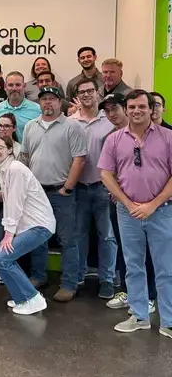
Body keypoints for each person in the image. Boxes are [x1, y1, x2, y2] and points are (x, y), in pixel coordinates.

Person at [98, 89, 172, 338]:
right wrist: (129, 204)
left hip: (161, 211)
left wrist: (152, 204)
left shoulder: (168, 138)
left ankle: (168, 321)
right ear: (126, 110)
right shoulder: (114, 140)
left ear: (151, 109)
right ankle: (139, 316)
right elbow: (106, 175)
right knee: (133, 266)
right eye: (132, 107)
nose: (137, 111)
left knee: (165, 268)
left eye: (142, 107)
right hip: (127, 213)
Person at [21, 86, 88, 302]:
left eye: (52, 99)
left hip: (61, 192)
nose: (47, 103)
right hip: (36, 192)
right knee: (38, 238)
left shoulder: (72, 126)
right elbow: (24, 156)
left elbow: (80, 159)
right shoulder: (31, 126)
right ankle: (39, 276)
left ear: (61, 102)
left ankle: (69, 284)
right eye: (44, 99)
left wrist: (67, 187)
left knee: (67, 239)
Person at [99, 93, 157, 313]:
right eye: (107, 111)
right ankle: (128, 291)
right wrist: (121, 196)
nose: (112, 114)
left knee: (150, 251)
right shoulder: (111, 139)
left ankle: (149, 296)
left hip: (152, 205)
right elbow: (107, 173)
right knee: (126, 249)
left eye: (115, 108)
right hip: (122, 205)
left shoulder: (155, 134)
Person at [0, 135, 56, 315]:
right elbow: (7, 195)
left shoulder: (15, 169)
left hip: (39, 225)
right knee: (5, 259)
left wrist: (8, 234)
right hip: (31, 225)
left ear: (10, 150)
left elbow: (14, 203)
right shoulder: (5, 169)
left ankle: (33, 298)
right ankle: (22, 299)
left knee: (0, 259)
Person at [69, 78, 117, 299]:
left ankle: (106, 279)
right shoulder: (70, 122)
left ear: (97, 93)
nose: (87, 95)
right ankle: (78, 276)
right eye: (82, 92)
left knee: (106, 236)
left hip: (103, 188)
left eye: (90, 90)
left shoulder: (110, 121)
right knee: (78, 234)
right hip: (77, 188)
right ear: (77, 96)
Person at [0, 72, 41, 141]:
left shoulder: (38, 110)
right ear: (5, 87)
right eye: (10, 85)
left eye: (18, 85)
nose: (14, 88)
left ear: (24, 86)